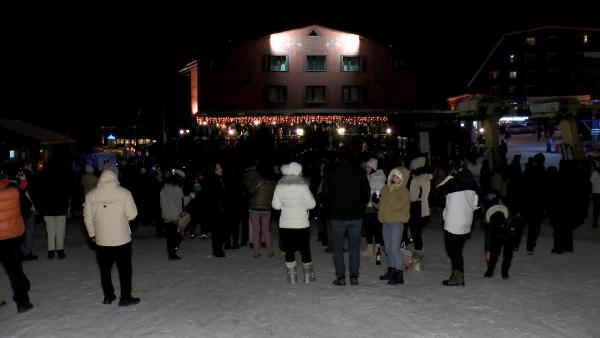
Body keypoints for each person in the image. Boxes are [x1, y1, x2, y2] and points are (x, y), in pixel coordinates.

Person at [83, 164, 140, 306]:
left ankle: (108, 296)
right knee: (125, 270)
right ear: (116, 177)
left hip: (102, 240)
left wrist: (92, 235)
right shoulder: (124, 193)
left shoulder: (91, 195)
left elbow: (87, 218)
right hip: (122, 239)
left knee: (105, 270)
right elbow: (132, 214)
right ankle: (125, 297)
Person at [322, 150, 371, 286]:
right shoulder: (359, 172)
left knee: (337, 248)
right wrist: (360, 207)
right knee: (354, 248)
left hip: (337, 216)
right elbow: (366, 192)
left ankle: (341, 277)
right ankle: (354, 276)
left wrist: (329, 209)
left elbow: (326, 194)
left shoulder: (332, 172)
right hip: (356, 216)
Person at [271, 162, 316, 284]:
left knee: (289, 250)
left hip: (285, 224)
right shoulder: (303, 186)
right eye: (301, 171)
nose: (302, 173)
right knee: (305, 249)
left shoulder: (280, 185)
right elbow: (312, 204)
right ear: (298, 172)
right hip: (301, 223)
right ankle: (308, 275)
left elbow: (275, 206)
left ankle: (292, 276)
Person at [436, 163, 480, 286]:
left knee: (453, 251)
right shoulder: (472, 183)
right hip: (466, 222)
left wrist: (448, 178)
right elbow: (477, 203)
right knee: (458, 250)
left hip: (453, 222)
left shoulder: (452, 182)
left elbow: (438, 191)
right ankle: (456, 274)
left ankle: (458, 276)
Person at [372, 167, 411, 285]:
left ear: (402, 180)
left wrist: (392, 192)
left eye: (398, 177)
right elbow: (381, 206)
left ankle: (399, 274)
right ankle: (391, 270)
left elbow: (396, 206)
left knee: (394, 249)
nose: (395, 179)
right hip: (385, 222)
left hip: (396, 223)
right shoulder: (385, 188)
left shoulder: (403, 191)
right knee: (388, 249)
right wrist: (375, 201)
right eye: (394, 176)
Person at [0, 176, 34, 313]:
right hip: (12, 236)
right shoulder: (14, 190)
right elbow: (26, 209)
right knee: (15, 271)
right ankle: (22, 302)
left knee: (13, 270)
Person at [38, 159, 72, 259]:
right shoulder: (62, 178)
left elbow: (40, 195)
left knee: (50, 231)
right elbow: (66, 192)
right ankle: (60, 251)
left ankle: (51, 251)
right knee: (60, 230)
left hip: (47, 209)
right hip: (60, 208)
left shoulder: (42, 179)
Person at [482, 194, 521, 279]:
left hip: (510, 233)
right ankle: (491, 268)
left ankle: (505, 271)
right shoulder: (491, 223)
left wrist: (512, 230)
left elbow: (518, 222)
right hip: (498, 236)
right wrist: (488, 250)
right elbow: (488, 236)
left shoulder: (511, 216)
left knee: (508, 253)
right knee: (494, 251)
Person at [160, 169, 194, 260]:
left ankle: (171, 252)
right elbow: (180, 203)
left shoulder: (165, 187)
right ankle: (172, 253)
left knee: (169, 235)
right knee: (176, 235)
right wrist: (190, 197)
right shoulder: (177, 189)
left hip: (166, 215)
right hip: (174, 215)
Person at [405, 157, 433, 271]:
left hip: (416, 209)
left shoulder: (416, 180)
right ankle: (418, 260)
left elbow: (412, 197)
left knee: (416, 236)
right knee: (418, 235)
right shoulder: (427, 178)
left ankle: (417, 263)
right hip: (425, 209)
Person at [247, 168, 276, 257]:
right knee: (266, 230)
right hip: (266, 210)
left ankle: (256, 252)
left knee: (256, 230)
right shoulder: (272, 184)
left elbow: (250, 192)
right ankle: (270, 251)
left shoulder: (256, 181)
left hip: (254, 208)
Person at [361, 158, 386, 258]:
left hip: (375, 208)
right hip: (367, 207)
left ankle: (378, 249)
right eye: (366, 166)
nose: (366, 168)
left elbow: (378, 193)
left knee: (377, 229)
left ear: (373, 168)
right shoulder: (368, 177)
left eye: (368, 167)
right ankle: (370, 249)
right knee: (368, 229)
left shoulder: (378, 178)